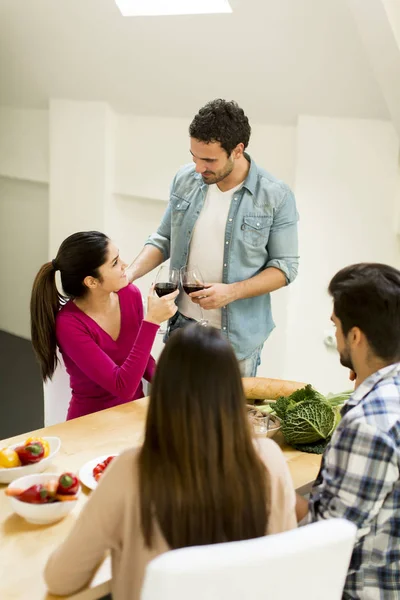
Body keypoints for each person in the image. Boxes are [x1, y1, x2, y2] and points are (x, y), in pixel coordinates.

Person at [44, 325, 297, 600]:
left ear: (162, 394)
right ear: (234, 393)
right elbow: (282, 566)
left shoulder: (130, 471)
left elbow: (61, 580)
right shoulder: (269, 460)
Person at [128, 99, 299, 377]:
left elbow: (285, 268)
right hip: (181, 326)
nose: (198, 168)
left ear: (237, 150)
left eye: (208, 160)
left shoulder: (275, 196)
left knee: (226, 421)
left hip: (237, 341)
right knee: (173, 416)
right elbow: (163, 238)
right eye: (195, 157)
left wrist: (231, 292)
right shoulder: (184, 179)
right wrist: (129, 273)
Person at [296, 263, 400, 599]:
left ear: (355, 336)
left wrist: (268, 483)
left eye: (337, 326)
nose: (336, 334)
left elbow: (325, 536)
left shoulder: (368, 424)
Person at [30, 231, 178, 420]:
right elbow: (122, 387)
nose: (125, 265)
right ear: (91, 281)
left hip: (134, 414)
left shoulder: (129, 294)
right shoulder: (69, 324)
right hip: (91, 423)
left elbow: (143, 360)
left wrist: (175, 389)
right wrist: (152, 322)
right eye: (115, 263)